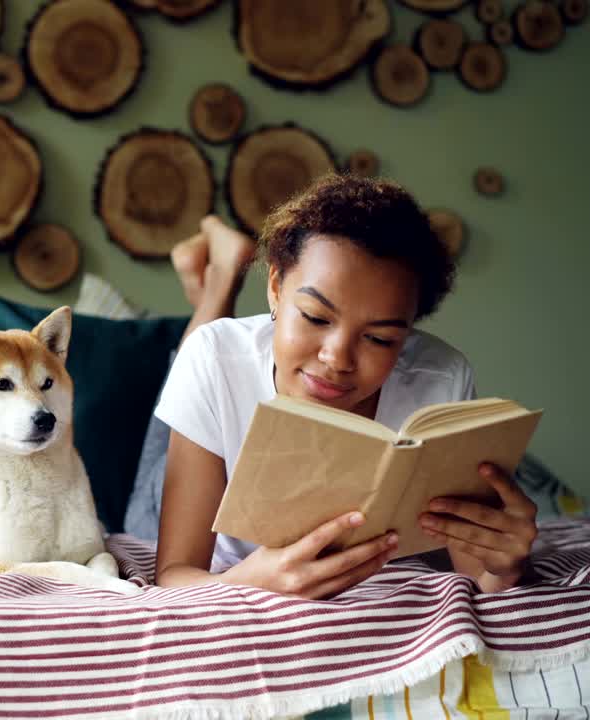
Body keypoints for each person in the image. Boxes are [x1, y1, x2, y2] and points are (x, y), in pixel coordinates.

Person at [145, 174, 537, 598]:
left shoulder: (440, 379)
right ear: (275, 288)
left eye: (380, 339)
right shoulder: (215, 359)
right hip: (174, 473)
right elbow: (175, 576)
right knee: (186, 375)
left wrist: (504, 566)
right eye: (315, 317)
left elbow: (480, 577)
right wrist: (249, 584)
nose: (338, 359)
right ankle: (220, 279)